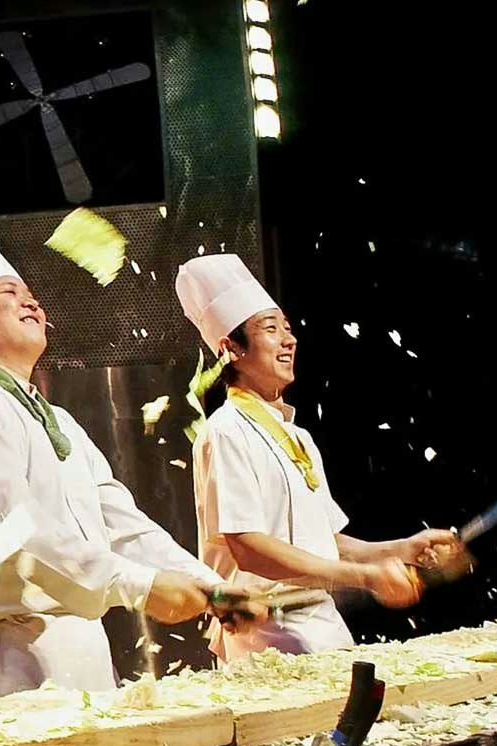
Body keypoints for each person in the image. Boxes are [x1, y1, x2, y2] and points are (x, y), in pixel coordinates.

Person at [0, 198, 255, 699]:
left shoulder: (59, 420)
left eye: (32, 295)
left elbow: (120, 521)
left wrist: (206, 584)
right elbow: (17, 533)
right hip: (7, 652)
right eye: (11, 294)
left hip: (82, 645)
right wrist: (140, 586)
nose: (32, 304)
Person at [176, 254, 457, 661]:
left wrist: (401, 549)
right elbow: (249, 548)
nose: (288, 340)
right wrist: (365, 577)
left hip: (324, 625)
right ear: (231, 348)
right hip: (265, 639)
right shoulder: (225, 431)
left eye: (287, 328)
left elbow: (328, 544)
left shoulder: (299, 437)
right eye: (270, 329)